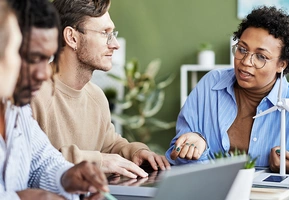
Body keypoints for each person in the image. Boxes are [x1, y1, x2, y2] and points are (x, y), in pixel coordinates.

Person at [166, 6, 289, 176]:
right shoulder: (210, 85)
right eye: (242, 49)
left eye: (261, 56)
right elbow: (177, 153)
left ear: (282, 64)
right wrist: (196, 147)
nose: (246, 62)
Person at [31, 0, 170, 179]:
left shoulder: (96, 96)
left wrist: (134, 151)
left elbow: (109, 146)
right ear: (72, 37)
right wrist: (97, 161)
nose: (115, 44)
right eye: (105, 33)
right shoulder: (31, 93)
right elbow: (28, 160)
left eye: (112, 33)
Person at [2, 0, 109, 199]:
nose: (44, 74)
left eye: (48, 59)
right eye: (33, 59)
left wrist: (67, 176)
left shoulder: (17, 109)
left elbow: (42, 161)